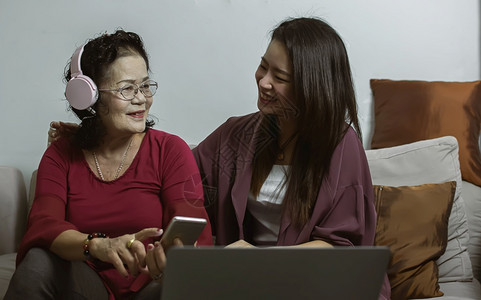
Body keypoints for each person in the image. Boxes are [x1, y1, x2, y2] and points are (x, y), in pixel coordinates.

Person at [45, 17, 390, 299]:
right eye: (262, 66)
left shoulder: (340, 144)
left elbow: (340, 247)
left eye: (280, 77)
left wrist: (260, 259)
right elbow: (170, 167)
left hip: (312, 285)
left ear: (311, 85)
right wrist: (96, 133)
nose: (263, 81)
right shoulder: (239, 135)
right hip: (248, 285)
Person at [5, 30, 212, 300]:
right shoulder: (61, 155)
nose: (141, 98)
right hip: (87, 286)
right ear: (88, 96)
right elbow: (44, 226)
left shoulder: (170, 150)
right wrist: (98, 245)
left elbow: (192, 225)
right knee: (38, 262)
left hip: (152, 287)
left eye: (145, 85)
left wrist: (172, 258)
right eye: (126, 88)